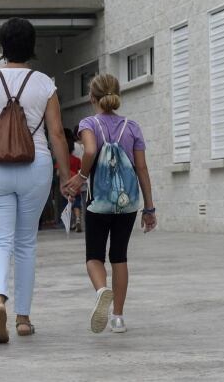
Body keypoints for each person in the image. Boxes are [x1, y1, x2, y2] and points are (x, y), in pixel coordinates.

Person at [0, 17, 71, 343]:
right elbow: (57, 133)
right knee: (26, 243)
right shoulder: (44, 83)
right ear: (31, 45)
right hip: (36, 168)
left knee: (0, 241)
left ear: (2, 46)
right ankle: (22, 318)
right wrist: (65, 175)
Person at [64, 73, 157, 334]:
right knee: (119, 256)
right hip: (127, 203)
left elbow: (91, 151)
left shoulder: (88, 123)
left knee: (94, 255)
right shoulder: (133, 126)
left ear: (92, 97)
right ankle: (118, 317)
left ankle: (101, 290)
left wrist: (81, 176)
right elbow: (142, 168)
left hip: (98, 202)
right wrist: (149, 207)